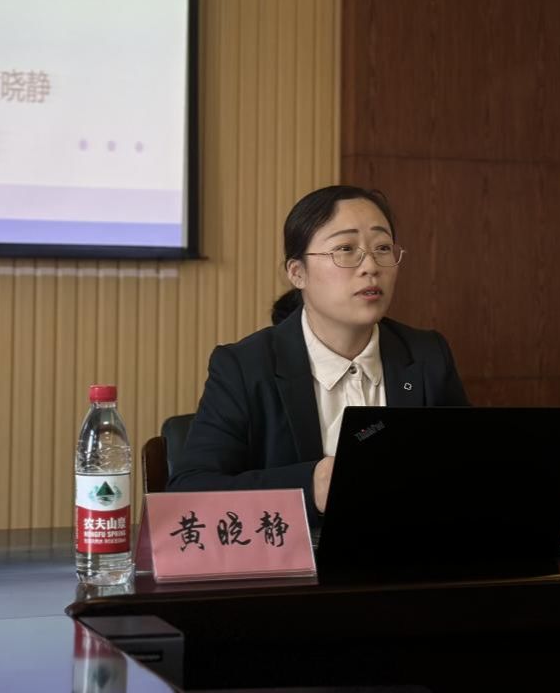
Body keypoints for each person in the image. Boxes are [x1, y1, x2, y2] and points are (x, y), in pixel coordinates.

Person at [168, 185, 468, 524]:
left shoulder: (427, 354)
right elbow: (189, 493)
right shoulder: (244, 367)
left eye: (383, 248)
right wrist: (311, 485)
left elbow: (470, 467)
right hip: (298, 556)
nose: (371, 266)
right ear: (297, 273)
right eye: (345, 249)